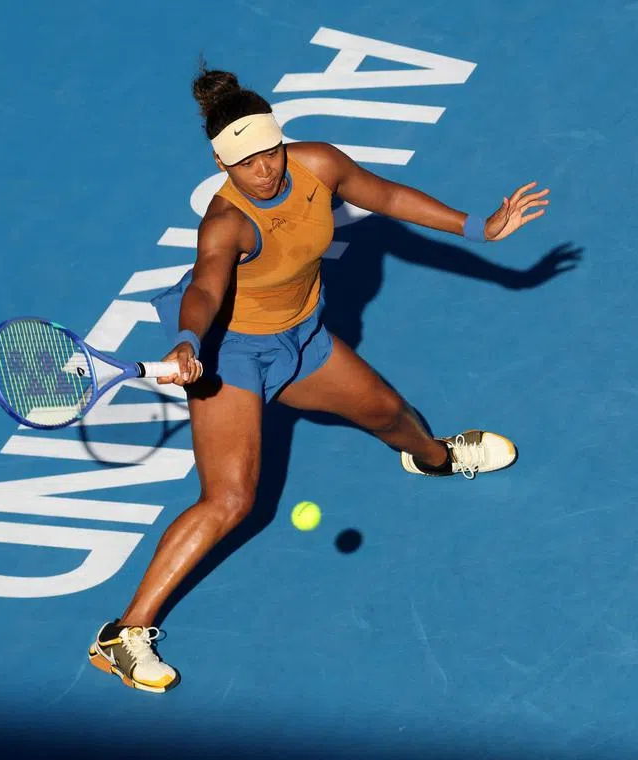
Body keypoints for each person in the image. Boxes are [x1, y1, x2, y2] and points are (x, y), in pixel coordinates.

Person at [88, 63, 550, 693]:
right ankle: (123, 635)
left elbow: (382, 196)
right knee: (230, 500)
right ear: (225, 168)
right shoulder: (226, 223)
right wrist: (190, 342)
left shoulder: (317, 164)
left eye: (270, 152)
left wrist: (479, 225)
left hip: (302, 340)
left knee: (389, 411)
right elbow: (204, 287)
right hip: (230, 358)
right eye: (247, 163)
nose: (266, 170)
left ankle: (437, 459)